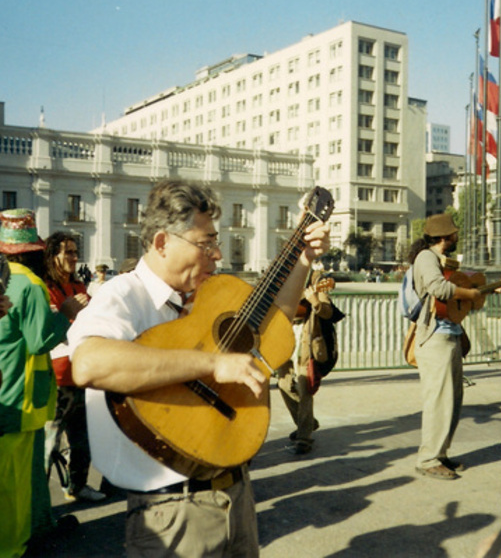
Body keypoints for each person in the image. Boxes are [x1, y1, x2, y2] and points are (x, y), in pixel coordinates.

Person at [67, 180, 330, 556]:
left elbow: (275, 324)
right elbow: (89, 363)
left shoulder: (207, 296)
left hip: (236, 494)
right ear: (162, 242)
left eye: (216, 242)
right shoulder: (123, 294)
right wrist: (211, 364)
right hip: (171, 512)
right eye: (205, 244)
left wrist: (303, 259)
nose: (218, 254)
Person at [0, 209, 84, 557]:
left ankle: (38, 525)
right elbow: (38, 341)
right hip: (23, 395)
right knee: (15, 479)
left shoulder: (7, 282)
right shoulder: (31, 286)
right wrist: (65, 315)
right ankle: (13, 545)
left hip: (9, 389)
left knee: (28, 471)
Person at [408, 213, 501, 481]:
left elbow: (462, 295)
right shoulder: (426, 258)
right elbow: (440, 288)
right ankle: (428, 459)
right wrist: (469, 293)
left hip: (450, 334)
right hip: (434, 337)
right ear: (445, 236)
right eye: (454, 234)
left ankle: (440, 454)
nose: (457, 237)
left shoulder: (444, 260)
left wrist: (490, 290)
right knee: (438, 401)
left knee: (452, 400)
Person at [43, 232, 106, 502]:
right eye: (67, 252)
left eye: (75, 251)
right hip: (58, 377)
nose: (74, 256)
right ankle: (39, 503)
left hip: (83, 375)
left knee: (82, 440)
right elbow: (53, 330)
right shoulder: (45, 288)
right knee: (49, 442)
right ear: (52, 256)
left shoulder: (80, 288)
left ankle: (77, 486)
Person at [277, 269, 333, 455]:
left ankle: (304, 437)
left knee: (304, 386)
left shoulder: (316, 280)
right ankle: (307, 423)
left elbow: (327, 312)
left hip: (306, 339)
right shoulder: (282, 278)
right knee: (283, 384)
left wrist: (315, 301)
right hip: (282, 337)